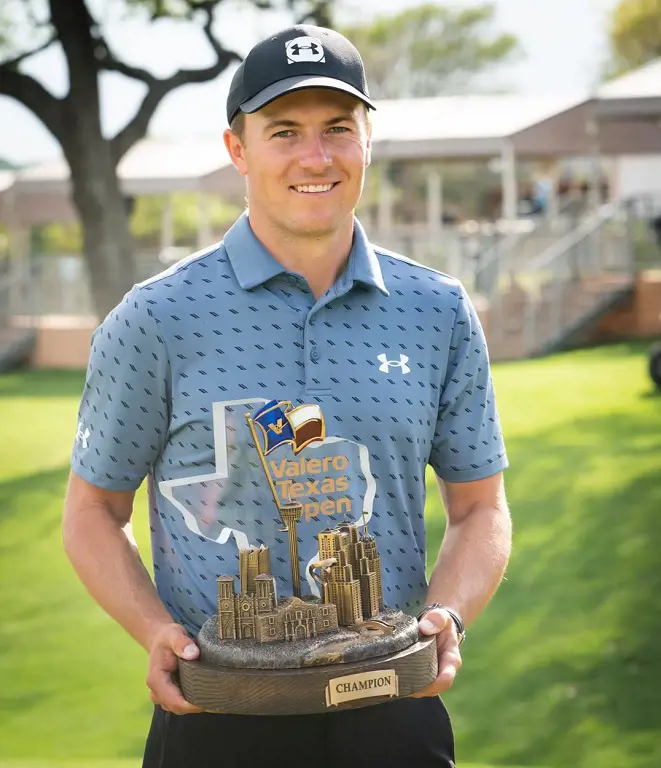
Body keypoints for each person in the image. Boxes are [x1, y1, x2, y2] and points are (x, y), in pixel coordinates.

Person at [63, 24, 511, 768]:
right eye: (284, 131)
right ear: (238, 148)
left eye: (338, 128)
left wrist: (447, 617)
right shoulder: (155, 318)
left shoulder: (437, 310)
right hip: (220, 716)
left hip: (392, 713)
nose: (316, 156)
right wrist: (153, 630)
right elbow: (91, 513)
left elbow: (480, 506)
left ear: (367, 140)